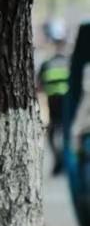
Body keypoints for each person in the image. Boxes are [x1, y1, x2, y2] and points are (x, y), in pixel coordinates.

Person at [38, 19, 71, 177]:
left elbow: (39, 86)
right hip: (64, 105)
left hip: (56, 104)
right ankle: (61, 162)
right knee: (62, 134)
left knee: (54, 135)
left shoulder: (47, 63)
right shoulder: (69, 62)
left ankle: (60, 162)